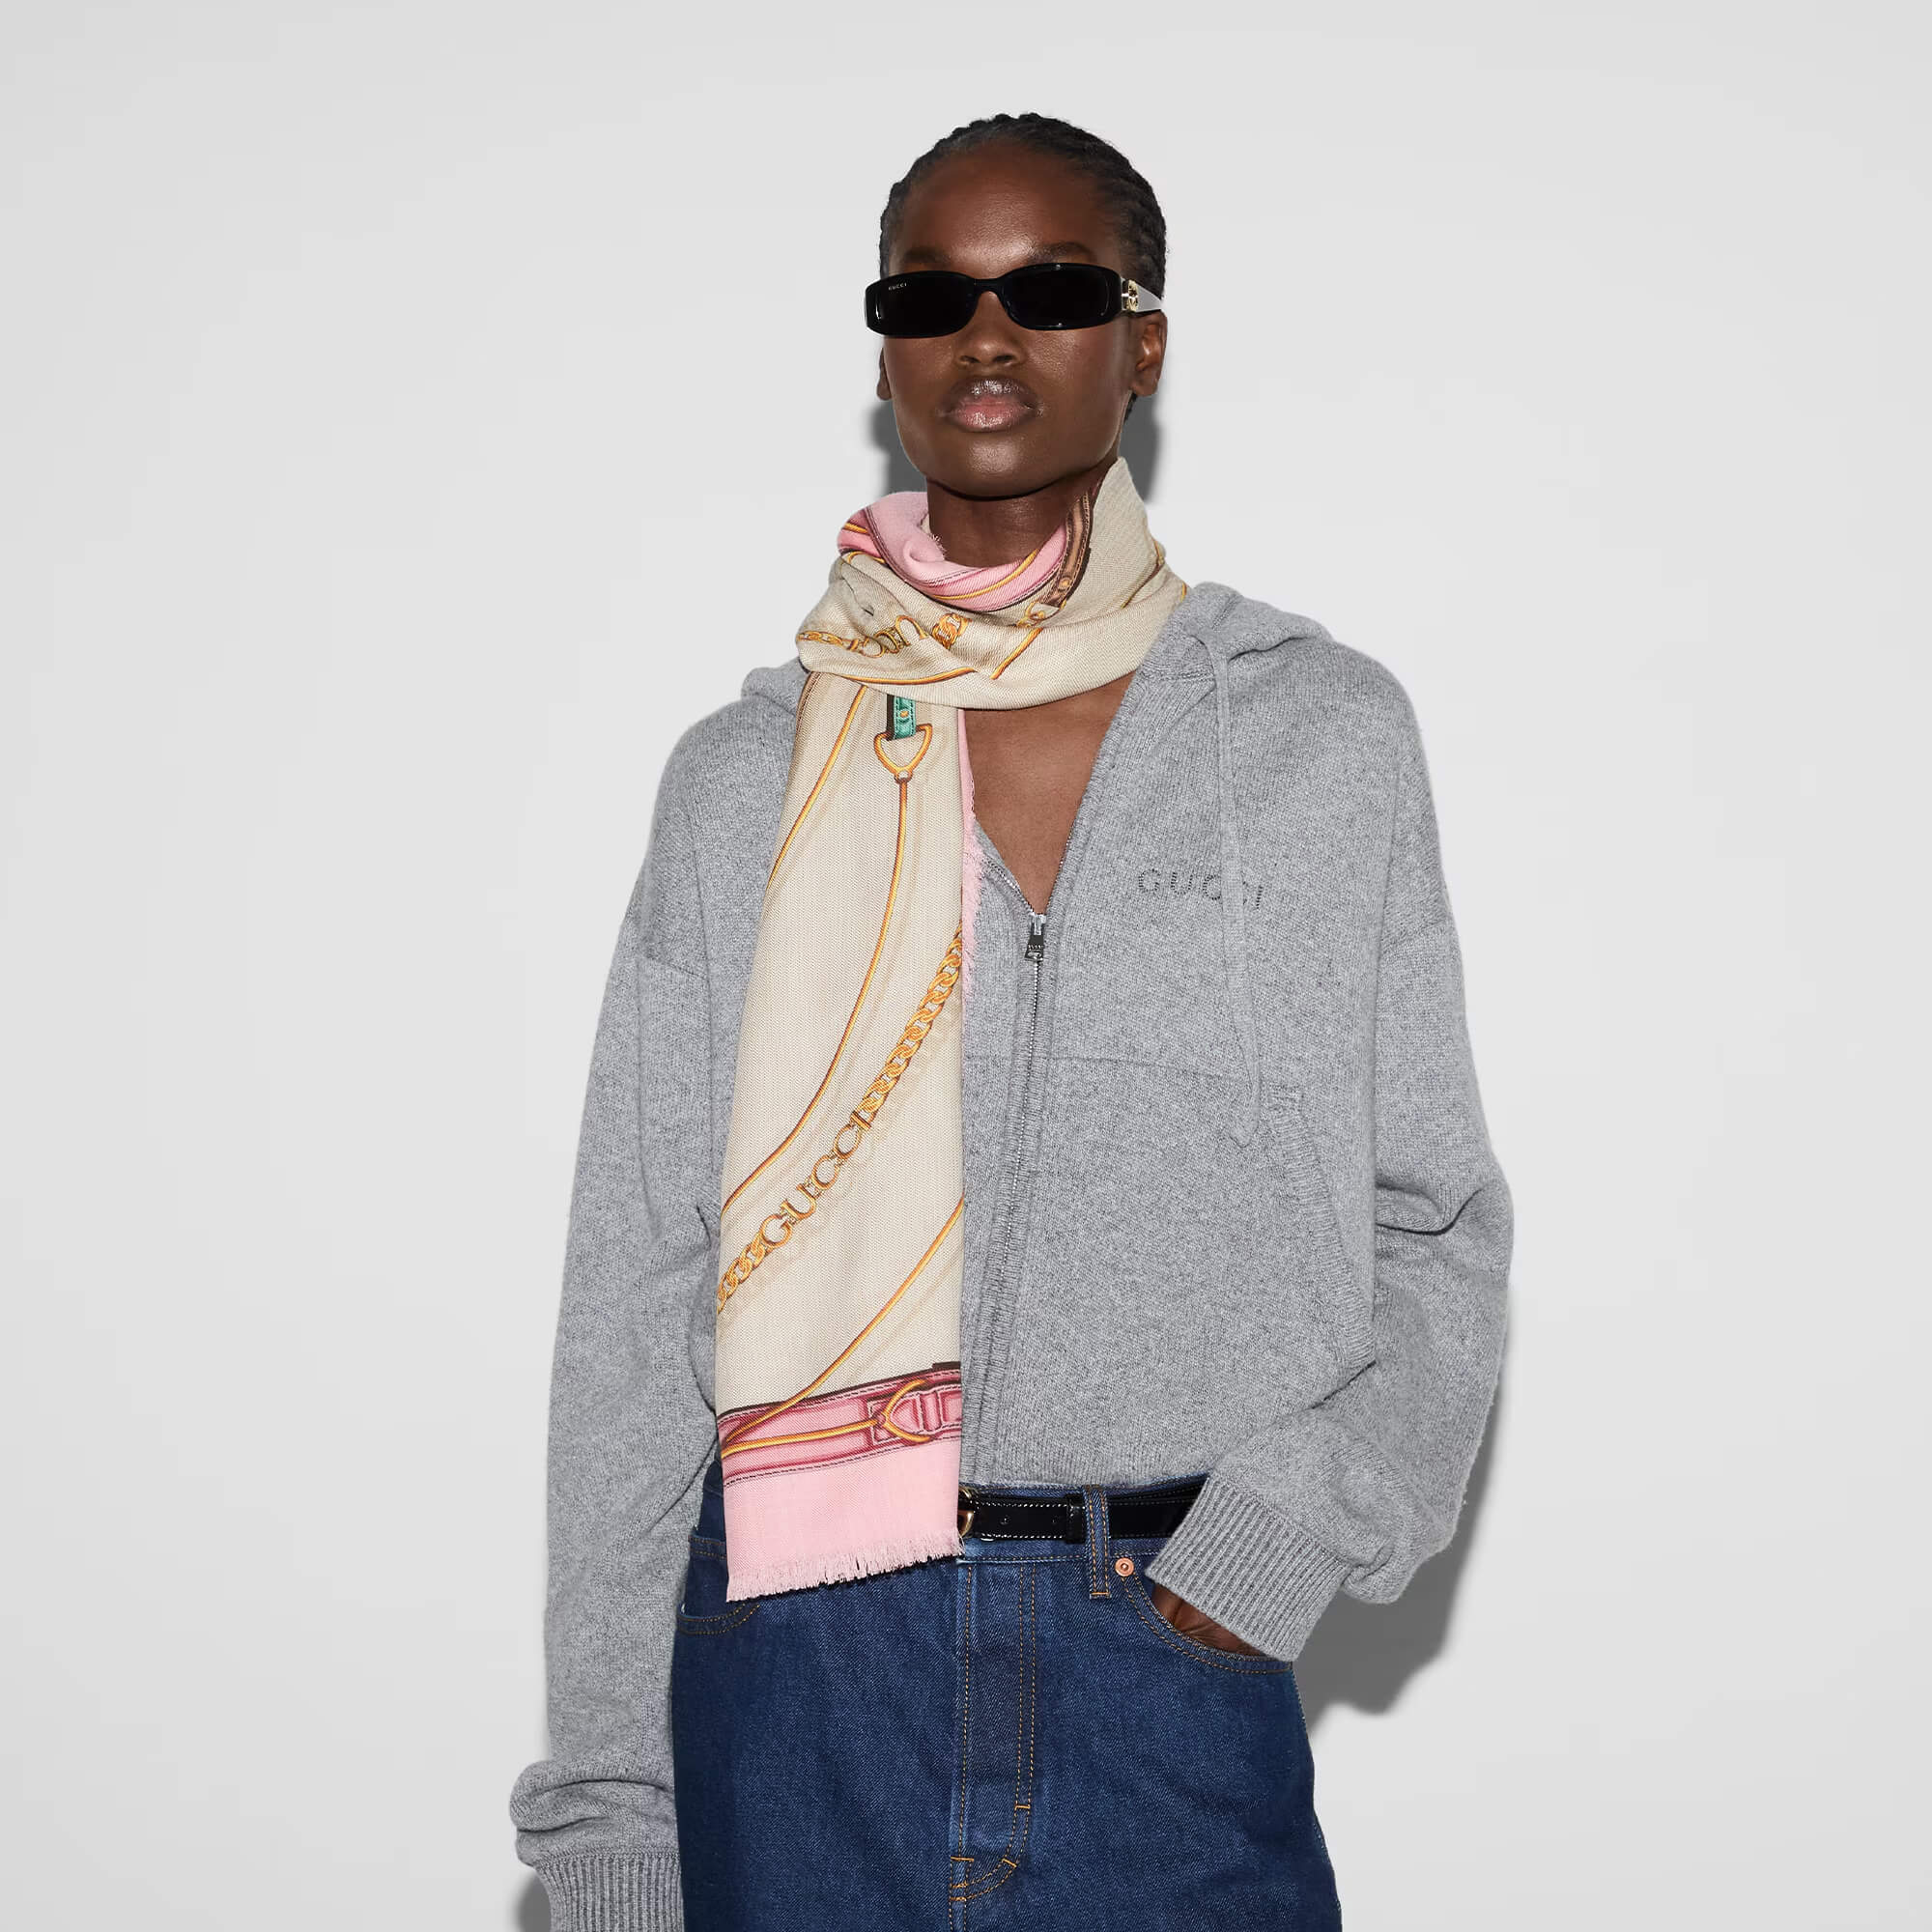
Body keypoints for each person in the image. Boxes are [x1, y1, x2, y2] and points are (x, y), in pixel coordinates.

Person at [510, 111, 1512, 1932]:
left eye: (1051, 291)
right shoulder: (749, 781)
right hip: (799, 1668)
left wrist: (1287, 1532)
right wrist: (606, 1810)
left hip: (1167, 1659)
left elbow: (1434, 1222)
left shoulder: (1316, 738)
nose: (986, 338)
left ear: (1144, 342)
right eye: (931, 297)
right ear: (886, 347)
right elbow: (637, 1294)